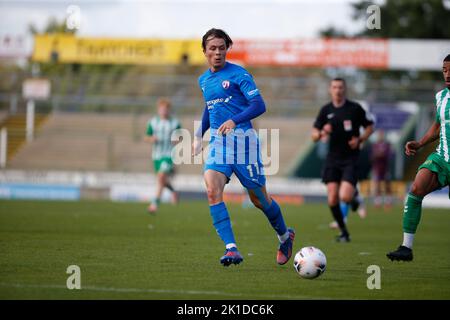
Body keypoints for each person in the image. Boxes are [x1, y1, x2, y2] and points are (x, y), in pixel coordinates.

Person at [192, 28, 295, 267]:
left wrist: (234, 120)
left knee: (260, 200)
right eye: (212, 48)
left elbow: (259, 105)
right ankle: (231, 249)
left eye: (221, 47)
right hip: (219, 144)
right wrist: (199, 135)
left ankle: (284, 236)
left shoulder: (240, 74)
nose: (217, 52)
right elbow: (210, 107)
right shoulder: (204, 80)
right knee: (211, 190)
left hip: (244, 143)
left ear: (227, 48)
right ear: (205, 51)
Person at [387, 54, 450, 262]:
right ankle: (406, 247)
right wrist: (420, 143)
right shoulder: (441, 97)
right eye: (444, 70)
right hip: (442, 158)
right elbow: (438, 125)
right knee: (415, 189)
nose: (447, 74)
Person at [312, 78, 374, 242]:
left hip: (350, 158)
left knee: (344, 197)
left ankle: (355, 198)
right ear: (330, 89)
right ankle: (344, 233)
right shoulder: (326, 110)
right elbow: (314, 135)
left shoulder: (354, 109)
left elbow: (369, 126)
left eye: (340, 87)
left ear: (345, 89)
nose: (337, 90)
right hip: (333, 158)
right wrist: (321, 132)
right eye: (334, 87)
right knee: (332, 198)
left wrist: (360, 140)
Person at [145, 97, 181, 213]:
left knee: (161, 177)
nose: (164, 111)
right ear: (158, 110)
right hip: (156, 155)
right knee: (162, 180)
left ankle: (154, 204)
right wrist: (151, 139)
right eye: (161, 109)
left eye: (166, 109)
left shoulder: (175, 123)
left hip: (169, 154)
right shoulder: (153, 122)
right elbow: (147, 136)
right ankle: (173, 191)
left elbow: (181, 136)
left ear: (169, 110)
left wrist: (177, 139)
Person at [370, 129, 393, 210]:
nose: (380, 136)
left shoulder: (387, 145)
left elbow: (388, 155)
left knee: (387, 186)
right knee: (377, 186)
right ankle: (378, 202)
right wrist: (380, 154)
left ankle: (388, 202)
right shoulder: (375, 145)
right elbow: (373, 155)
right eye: (379, 135)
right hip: (377, 168)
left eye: (381, 135)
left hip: (385, 168)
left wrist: (380, 154)